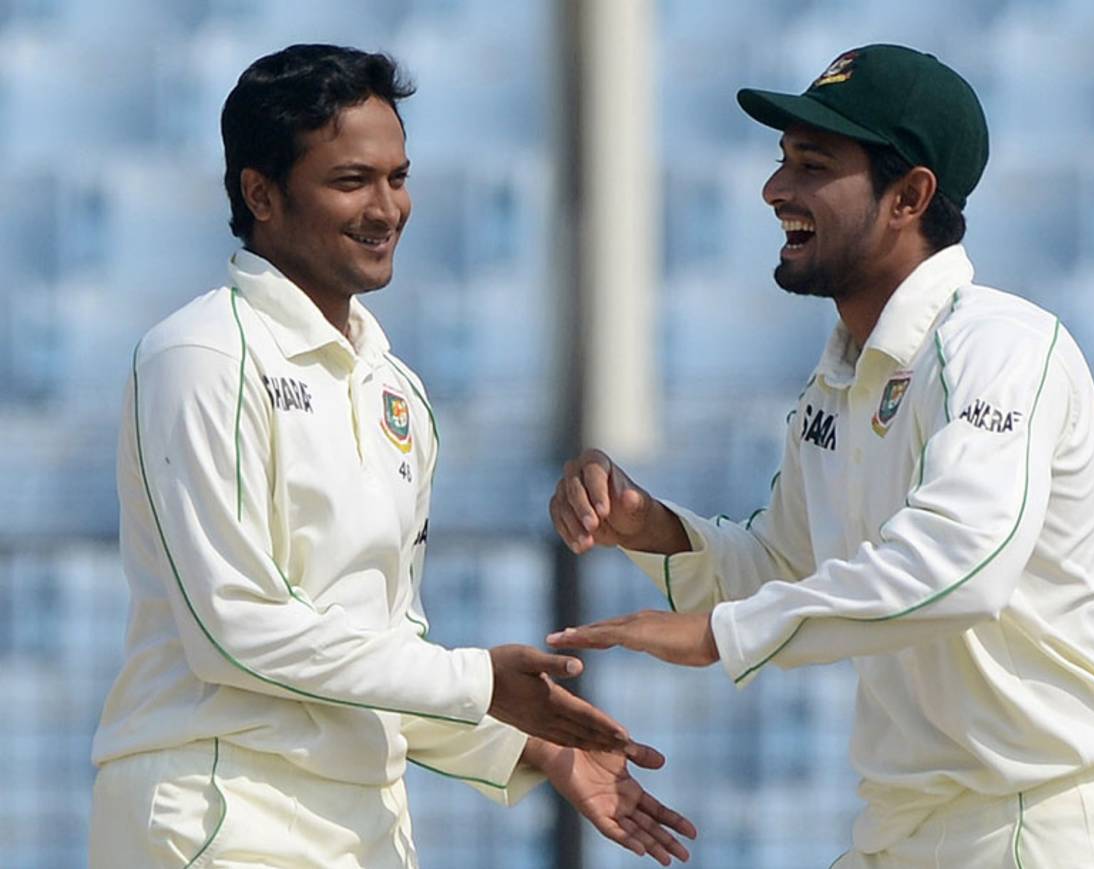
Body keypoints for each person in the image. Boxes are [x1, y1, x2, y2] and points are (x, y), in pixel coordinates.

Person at [547, 44, 1094, 867]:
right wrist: (652, 528)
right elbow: (789, 564)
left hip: (1038, 819)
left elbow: (958, 567)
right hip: (908, 827)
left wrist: (721, 632)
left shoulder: (1001, 346)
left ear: (909, 195)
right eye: (782, 161)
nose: (776, 189)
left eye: (814, 164)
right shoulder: (838, 376)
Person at [89, 43, 694, 868]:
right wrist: (478, 680)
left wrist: (535, 747)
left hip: (364, 824)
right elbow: (234, 631)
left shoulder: (396, 388)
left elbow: (381, 656)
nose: (386, 209)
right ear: (259, 193)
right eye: (350, 181)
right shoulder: (202, 356)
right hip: (222, 812)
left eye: (397, 177)